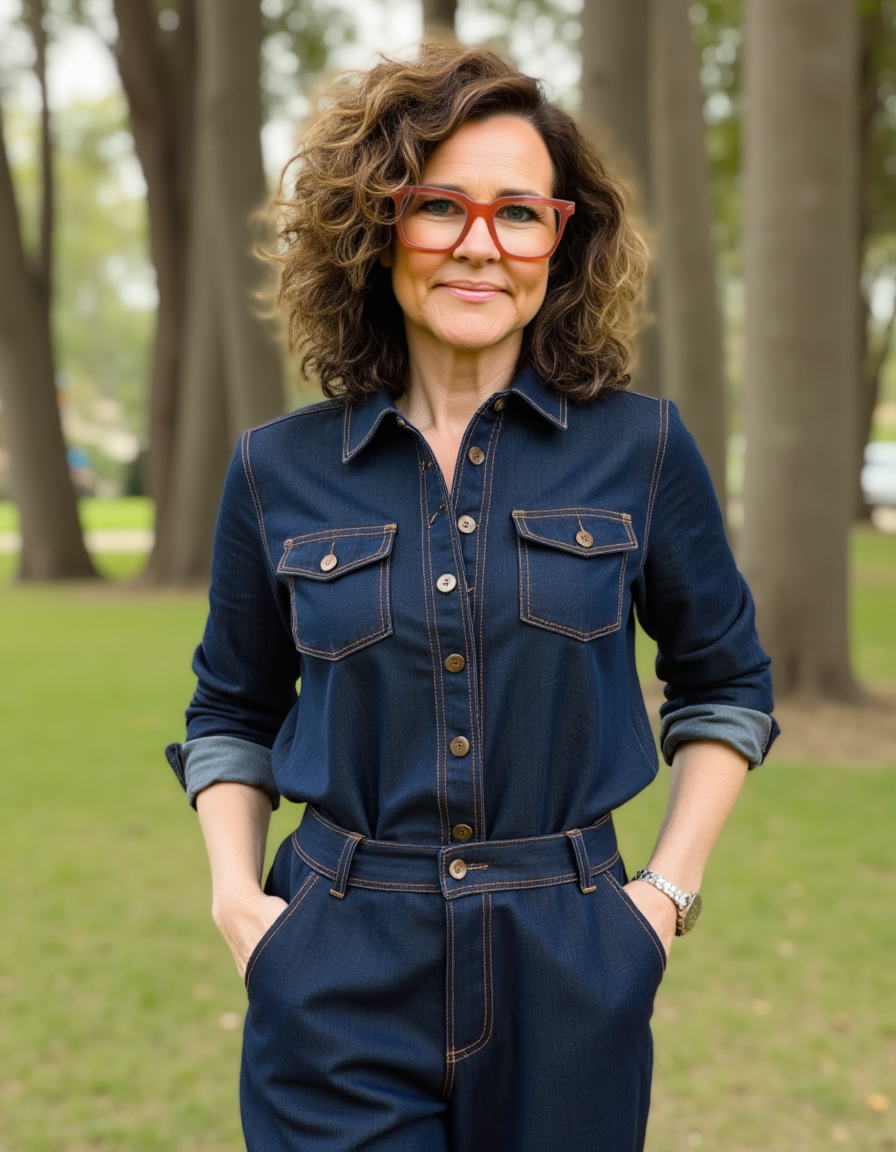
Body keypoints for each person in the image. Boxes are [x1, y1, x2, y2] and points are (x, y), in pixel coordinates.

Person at [165, 40, 779, 1152]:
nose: (478, 246)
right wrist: (237, 903)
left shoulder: (640, 451)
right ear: (377, 225)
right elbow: (229, 714)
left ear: (560, 237)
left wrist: (661, 900)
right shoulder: (274, 471)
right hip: (334, 955)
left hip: (573, 961)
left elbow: (725, 685)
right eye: (438, 205)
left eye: (519, 213)